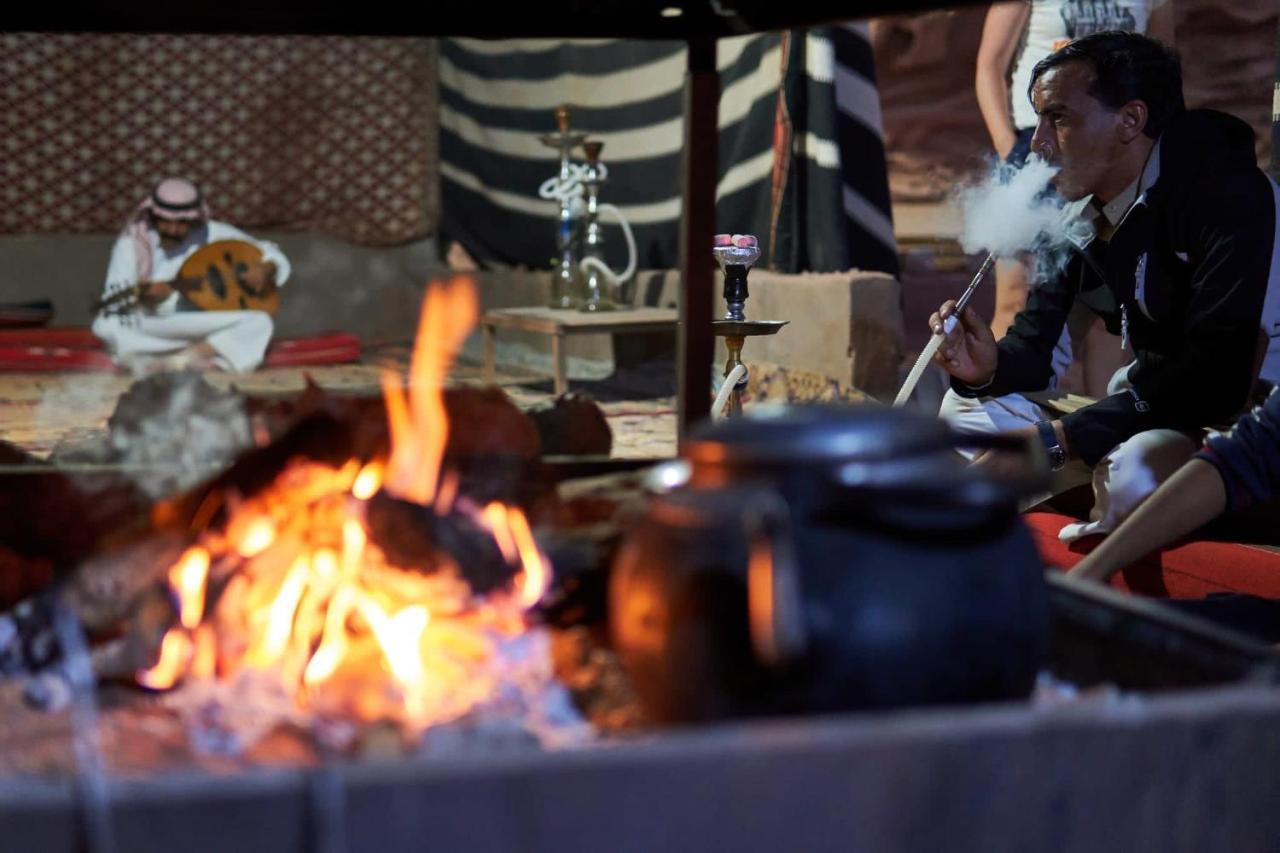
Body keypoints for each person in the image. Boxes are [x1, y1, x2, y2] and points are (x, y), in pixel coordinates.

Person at [934, 32, 1280, 542]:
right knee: (964, 413)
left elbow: (1216, 379)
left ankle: (1090, 564)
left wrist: (1061, 441)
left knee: (1132, 469)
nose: (1038, 143)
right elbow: (1034, 348)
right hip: (1150, 407)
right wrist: (986, 369)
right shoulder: (1080, 211)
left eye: (1059, 118)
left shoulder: (1226, 194)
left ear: (1130, 120)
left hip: (1239, 420)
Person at [975, 0, 1173, 399]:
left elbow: (1162, 69)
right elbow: (989, 66)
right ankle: (991, 415)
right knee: (1016, 295)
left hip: (1110, 149)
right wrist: (1010, 152)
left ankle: (1102, 437)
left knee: (1110, 311)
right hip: (1038, 145)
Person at [92, 177, 291, 373]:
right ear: (154, 216)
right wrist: (144, 297)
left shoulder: (213, 234)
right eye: (166, 222)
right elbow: (114, 301)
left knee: (259, 321)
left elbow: (273, 254)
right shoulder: (132, 245)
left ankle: (184, 359)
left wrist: (267, 269)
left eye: (181, 223)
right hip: (159, 323)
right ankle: (206, 356)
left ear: (194, 218)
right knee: (108, 326)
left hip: (203, 321)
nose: (173, 229)